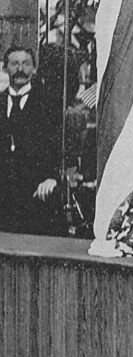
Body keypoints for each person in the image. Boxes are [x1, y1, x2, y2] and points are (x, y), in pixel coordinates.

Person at [0, 46, 61, 234]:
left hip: (36, 191)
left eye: (26, 64)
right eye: (14, 64)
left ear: (34, 69)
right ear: (5, 69)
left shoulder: (48, 102)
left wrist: (52, 177)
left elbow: (57, 144)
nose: (20, 69)